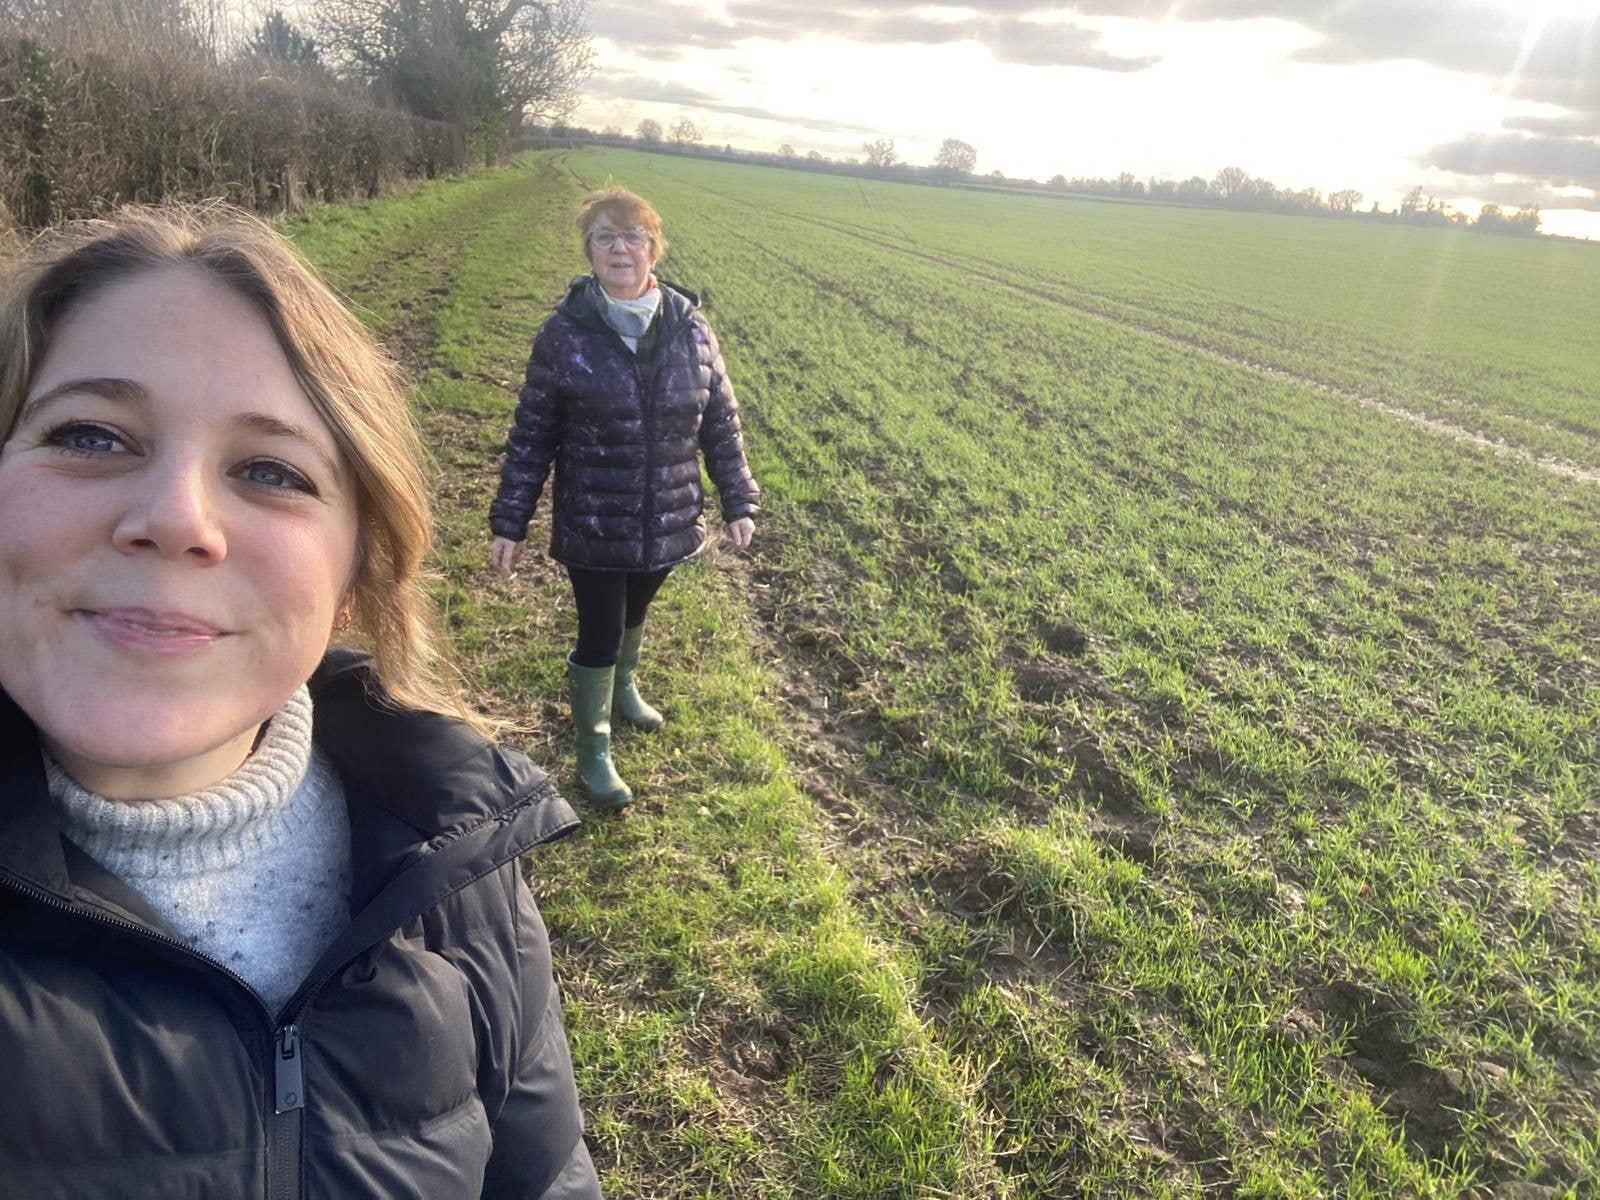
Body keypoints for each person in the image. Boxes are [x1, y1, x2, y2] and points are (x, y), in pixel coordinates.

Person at [0, 203, 602, 1198]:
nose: (177, 519)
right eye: (93, 436)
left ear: (358, 565)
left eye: (270, 470)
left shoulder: (448, 851)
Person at [488, 187, 760, 812]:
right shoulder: (565, 334)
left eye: (633, 236)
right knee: (601, 629)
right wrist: (511, 520)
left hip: (667, 513)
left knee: (637, 608)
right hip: (594, 519)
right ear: (589, 251)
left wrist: (737, 499)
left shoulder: (689, 325)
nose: (620, 249)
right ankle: (594, 746)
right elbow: (533, 432)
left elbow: (719, 418)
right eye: (605, 237)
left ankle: (624, 688)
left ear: (653, 249)